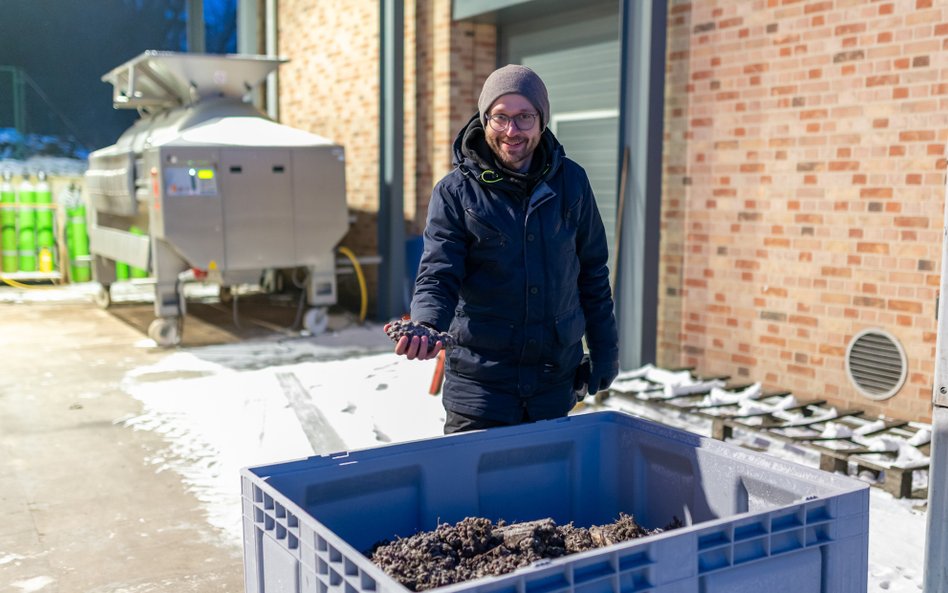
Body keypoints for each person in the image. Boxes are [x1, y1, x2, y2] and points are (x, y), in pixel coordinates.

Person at [391, 64, 619, 434]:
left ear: (542, 121)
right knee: (476, 489)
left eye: (524, 117)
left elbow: (592, 273)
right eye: (500, 117)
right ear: (485, 120)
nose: (511, 131)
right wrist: (427, 323)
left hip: (552, 382)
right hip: (481, 388)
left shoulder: (572, 183)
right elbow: (438, 273)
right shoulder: (455, 193)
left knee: (545, 489)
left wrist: (606, 351)